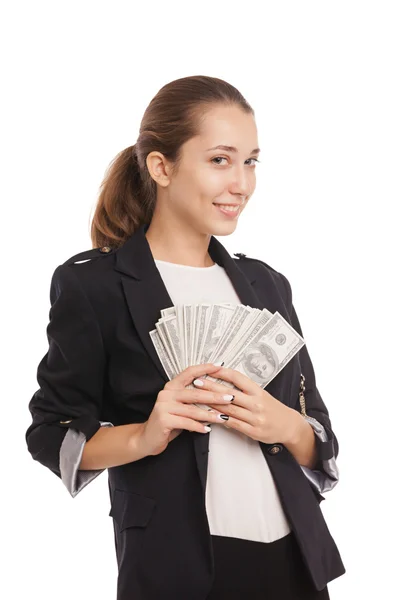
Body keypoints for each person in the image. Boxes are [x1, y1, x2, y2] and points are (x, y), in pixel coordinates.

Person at [25, 75, 346, 599]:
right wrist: (145, 435)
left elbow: (319, 439)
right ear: (161, 166)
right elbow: (50, 431)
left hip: (294, 561)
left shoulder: (267, 285)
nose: (241, 183)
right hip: (178, 566)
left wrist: (282, 423)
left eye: (251, 161)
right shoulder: (94, 285)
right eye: (220, 160)